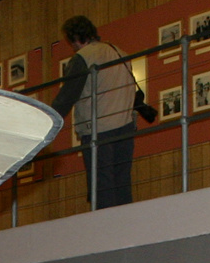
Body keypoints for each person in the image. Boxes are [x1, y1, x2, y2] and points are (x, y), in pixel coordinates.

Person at [49, 15, 143, 210]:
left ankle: (105, 228)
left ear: (74, 38)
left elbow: (67, 95)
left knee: (102, 182)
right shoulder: (120, 52)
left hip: (98, 128)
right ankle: (126, 225)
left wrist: (47, 121)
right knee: (121, 180)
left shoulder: (84, 57)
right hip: (125, 125)